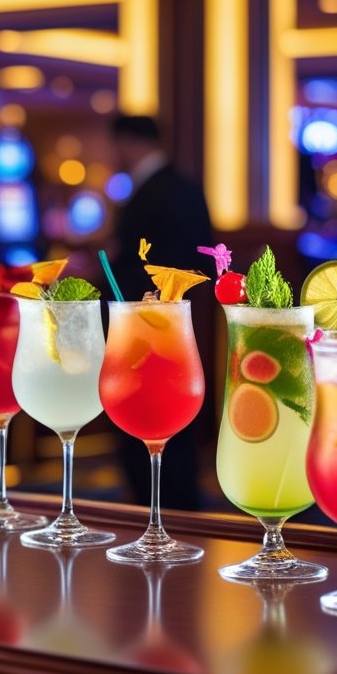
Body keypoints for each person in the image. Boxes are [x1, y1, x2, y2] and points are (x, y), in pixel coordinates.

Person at [107, 114, 214, 511]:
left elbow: (164, 262)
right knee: (170, 415)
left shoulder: (154, 190)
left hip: (146, 324)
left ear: (127, 142)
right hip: (174, 322)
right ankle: (175, 511)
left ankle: (156, 511)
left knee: (147, 412)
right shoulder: (183, 185)